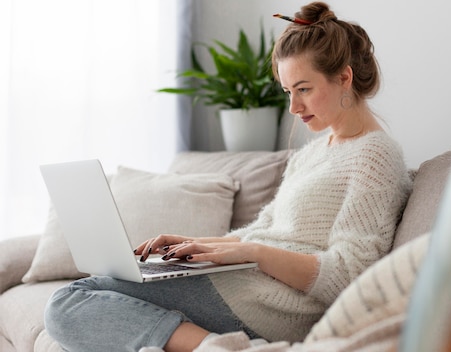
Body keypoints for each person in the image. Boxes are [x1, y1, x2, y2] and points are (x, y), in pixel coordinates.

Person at [44, 2, 412, 351]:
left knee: (69, 303)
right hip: (243, 285)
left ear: (344, 78)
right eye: (288, 91)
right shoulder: (315, 152)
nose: (294, 107)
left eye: (303, 89)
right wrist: (199, 245)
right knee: (84, 296)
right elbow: (262, 229)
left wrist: (249, 253)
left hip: (271, 308)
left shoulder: (375, 155)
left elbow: (349, 275)